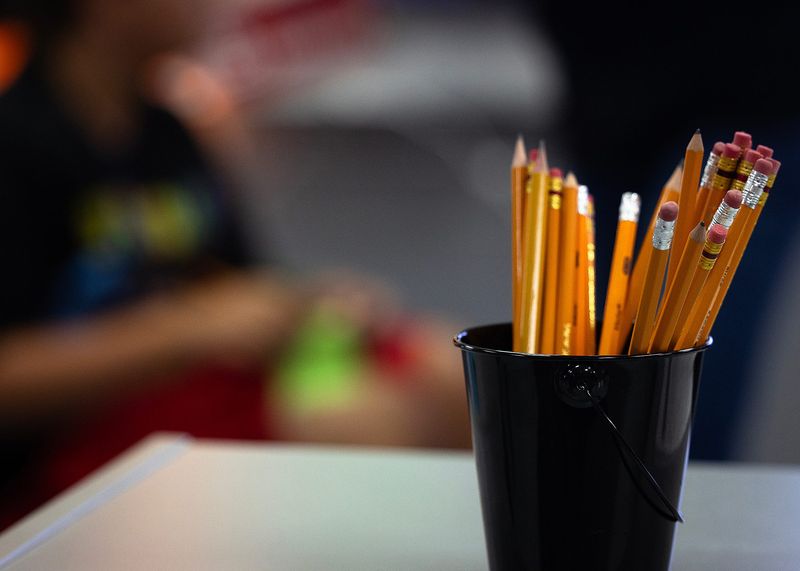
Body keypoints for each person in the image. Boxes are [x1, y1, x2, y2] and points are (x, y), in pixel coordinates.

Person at [0, 0, 468, 528]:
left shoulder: (166, 131)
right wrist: (186, 329)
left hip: (195, 382)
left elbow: (237, 281)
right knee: (359, 423)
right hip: (77, 435)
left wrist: (308, 300)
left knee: (455, 366)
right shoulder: (17, 141)